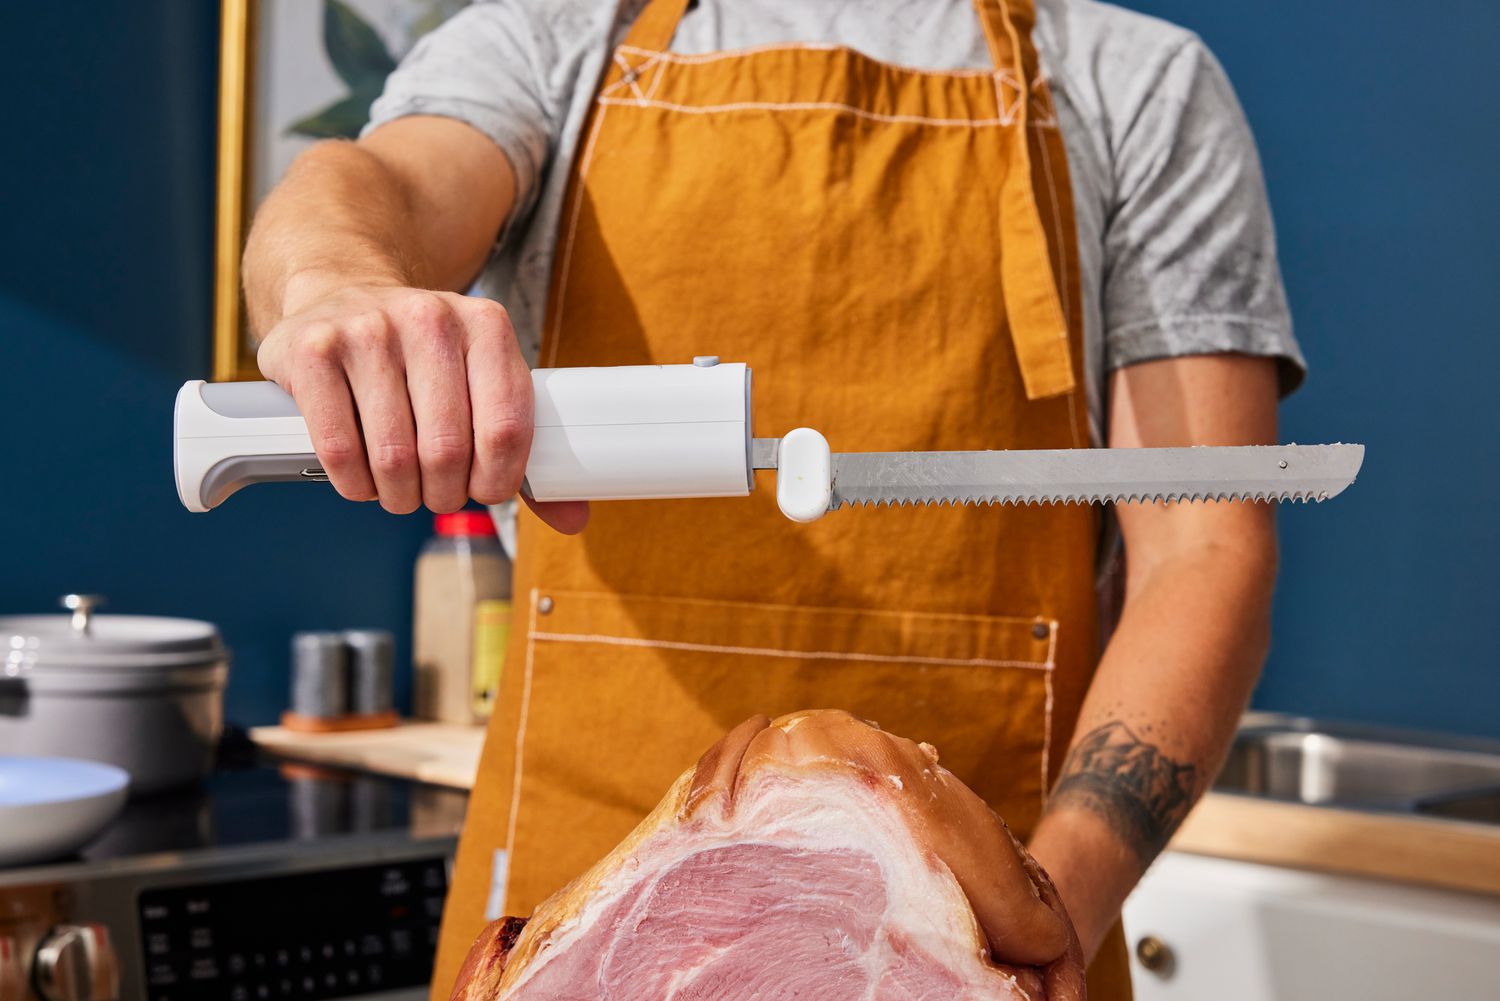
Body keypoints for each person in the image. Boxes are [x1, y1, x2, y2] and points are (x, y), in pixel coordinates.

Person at [244, 0, 1304, 997]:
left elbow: (1204, 547)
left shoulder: (1137, 87)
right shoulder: (552, 40)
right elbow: (381, 183)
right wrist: (337, 277)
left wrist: (1021, 933)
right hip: (592, 929)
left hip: (988, 937)